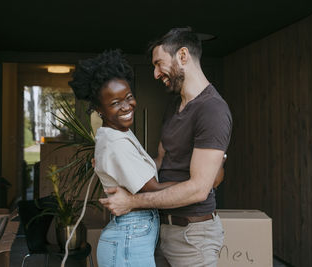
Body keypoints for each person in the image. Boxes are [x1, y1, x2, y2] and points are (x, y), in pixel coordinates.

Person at [99, 27, 232, 267]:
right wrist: (118, 165)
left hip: (192, 236)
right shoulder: (175, 105)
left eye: (159, 64)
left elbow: (199, 189)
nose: (155, 74)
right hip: (160, 230)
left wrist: (132, 202)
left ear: (182, 56)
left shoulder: (212, 110)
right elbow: (160, 161)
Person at [69, 50, 178, 267]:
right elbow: (153, 190)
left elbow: (144, 174)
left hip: (132, 236)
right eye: (115, 103)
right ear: (99, 109)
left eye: (128, 97)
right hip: (129, 239)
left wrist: (161, 156)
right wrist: (199, 183)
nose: (127, 107)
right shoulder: (115, 143)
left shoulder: (120, 132)